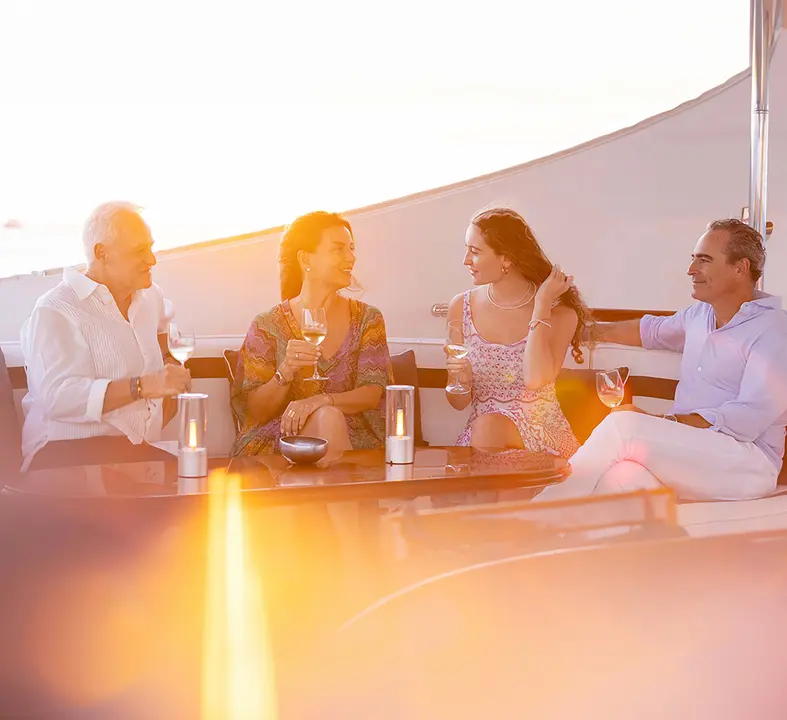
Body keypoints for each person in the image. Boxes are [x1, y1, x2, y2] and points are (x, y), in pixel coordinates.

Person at [537, 218, 787, 503]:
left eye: (704, 260)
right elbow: (649, 331)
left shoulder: (774, 330)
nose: (691, 269)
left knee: (623, 426)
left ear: (740, 268)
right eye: (693, 258)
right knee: (620, 477)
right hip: (693, 451)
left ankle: (535, 515)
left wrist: (663, 421)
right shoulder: (699, 315)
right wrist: (576, 330)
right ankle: (558, 527)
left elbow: (747, 419)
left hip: (748, 462)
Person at [20, 201, 191, 471]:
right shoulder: (55, 309)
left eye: (151, 247)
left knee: (196, 485)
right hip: (63, 456)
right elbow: (58, 398)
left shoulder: (150, 296)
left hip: (133, 452)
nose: (152, 260)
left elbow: (165, 336)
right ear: (102, 253)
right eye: (139, 251)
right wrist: (143, 386)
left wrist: (169, 370)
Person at [231, 211, 390, 457]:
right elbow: (258, 412)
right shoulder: (265, 326)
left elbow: (372, 393)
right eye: (338, 249)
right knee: (326, 418)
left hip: (352, 437)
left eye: (351, 248)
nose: (351, 257)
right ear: (306, 258)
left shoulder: (368, 319)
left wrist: (321, 401)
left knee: (328, 417)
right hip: (281, 438)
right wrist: (285, 371)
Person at [445, 207, 590, 456]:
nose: (466, 260)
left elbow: (535, 379)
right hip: (482, 438)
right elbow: (458, 403)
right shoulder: (460, 307)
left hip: (541, 439)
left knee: (487, 429)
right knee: (485, 429)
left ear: (507, 258)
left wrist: (542, 304)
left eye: (475, 251)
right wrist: (463, 380)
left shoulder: (560, 313)